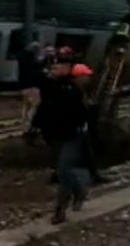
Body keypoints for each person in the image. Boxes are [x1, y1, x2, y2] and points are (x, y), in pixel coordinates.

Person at [31, 55, 90, 224]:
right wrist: (35, 127)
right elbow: (43, 107)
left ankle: (60, 210)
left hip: (72, 135)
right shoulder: (49, 86)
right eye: (52, 68)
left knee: (64, 170)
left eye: (57, 67)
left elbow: (81, 113)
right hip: (53, 135)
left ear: (67, 69)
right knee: (61, 169)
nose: (53, 71)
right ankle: (79, 192)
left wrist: (79, 127)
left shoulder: (73, 88)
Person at [70, 63, 111, 185]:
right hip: (75, 128)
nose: (88, 79)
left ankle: (91, 176)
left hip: (82, 127)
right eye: (86, 76)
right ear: (79, 77)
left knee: (86, 153)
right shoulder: (72, 92)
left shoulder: (82, 90)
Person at [17, 42, 44, 142]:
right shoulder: (33, 60)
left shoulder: (21, 57)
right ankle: (28, 128)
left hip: (23, 86)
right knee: (34, 107)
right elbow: (36, 72)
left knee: (25, 107)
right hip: (33, 87)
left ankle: (24, 127)